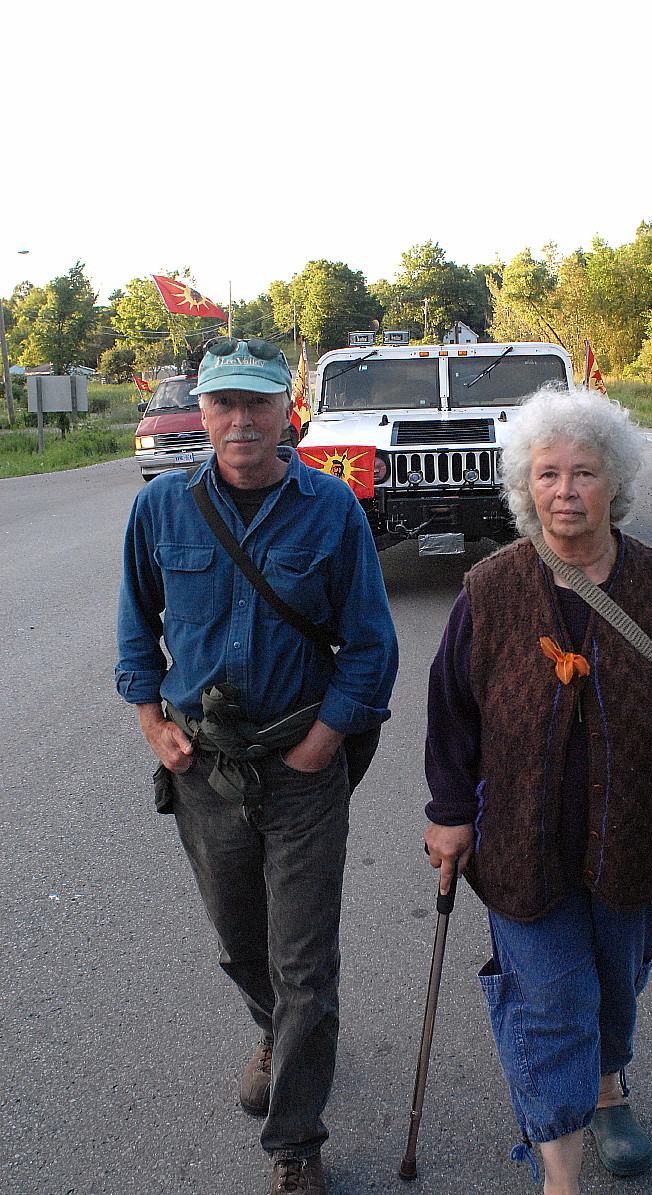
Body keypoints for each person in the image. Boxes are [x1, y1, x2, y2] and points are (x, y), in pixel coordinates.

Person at [423, 387, 652, 1195]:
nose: (565, 490)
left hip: (636, 837)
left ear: (614, 482)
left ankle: (607, 1088)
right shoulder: (491, 591)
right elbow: (452, 713)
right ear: (528, 485)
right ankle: (558, 1170)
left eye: (584, 472)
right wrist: (449, 815)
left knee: (615, 984)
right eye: (548, 473)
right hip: (520, 842)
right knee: (553, 997)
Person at [116, 337, 398, 1195]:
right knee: (242, 941)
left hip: (304, 766)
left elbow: (372, 645)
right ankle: (276, 1030)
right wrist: (152, 724)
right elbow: (137, 629)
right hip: (205, 768)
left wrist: (325, 740)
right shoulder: (160, 511)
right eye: (224, 404)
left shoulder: (332, 508)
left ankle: (295, 1146)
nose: (241, 421)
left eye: (258, 403)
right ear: (201, 411)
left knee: (305, 959)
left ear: (289, 410)